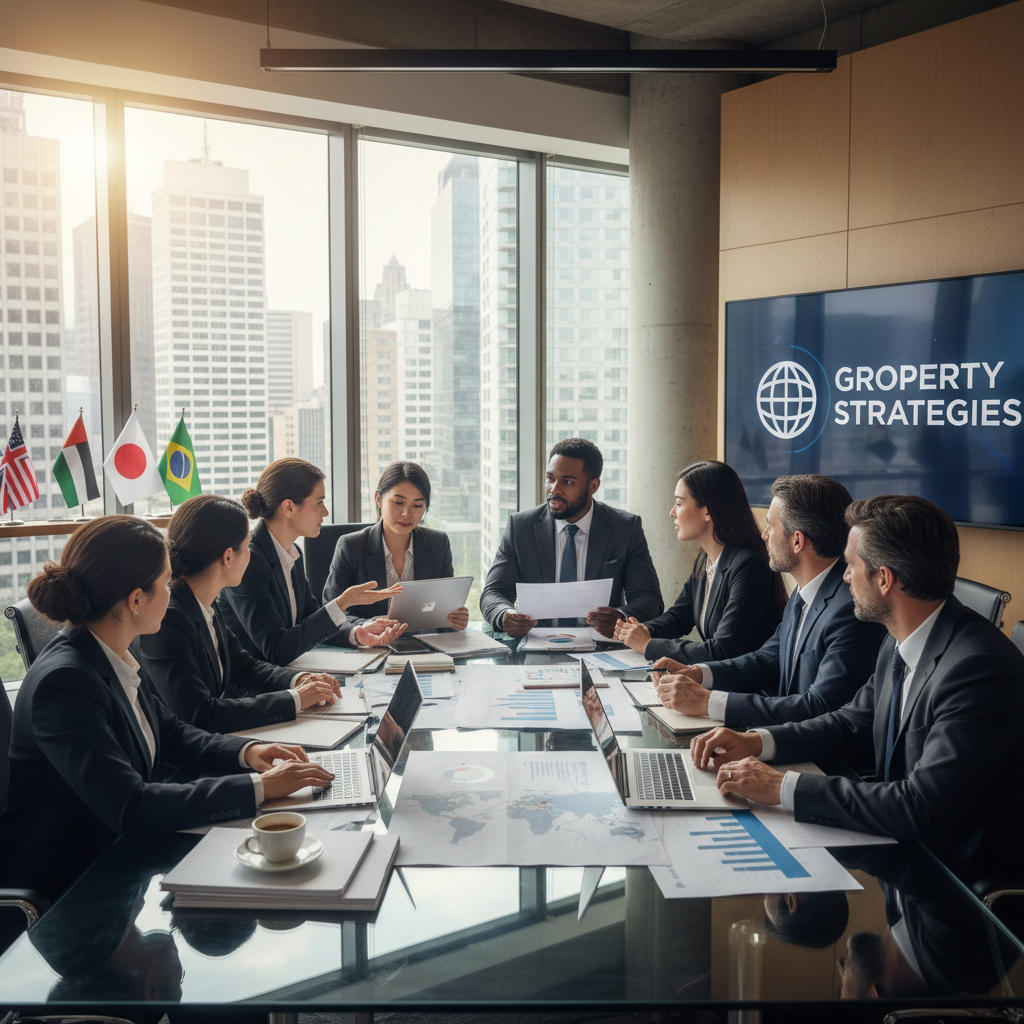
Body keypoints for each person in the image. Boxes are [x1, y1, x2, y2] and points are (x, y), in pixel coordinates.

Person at [0, 516, 336, 907]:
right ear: (135, 600)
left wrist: (249, 753)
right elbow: (132, 806)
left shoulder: (108, 651)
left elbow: (171, 733)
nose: (172, 590)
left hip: (120, 857)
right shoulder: (65, 683)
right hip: (69, 889)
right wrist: (259, 787)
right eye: (165, 582)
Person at [691, 494, 1024, 879]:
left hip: (957, 885)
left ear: (884, 579)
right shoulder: (901, 638)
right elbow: (851, 723)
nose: (845, 576)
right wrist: (756, 741)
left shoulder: (978, 670)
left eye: (851, 565)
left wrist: (783, 786)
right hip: (898, 856)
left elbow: (921, 806)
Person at [651, 475, 887, 729]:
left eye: (770, 527)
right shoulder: (804, 592)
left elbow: (819, 707)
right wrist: (699, 673)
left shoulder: (850, 610)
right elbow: (766, 660)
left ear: (797, 541)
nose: (764, 536)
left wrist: (708, 702)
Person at [136, 494, 346, 734]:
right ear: (228, 557)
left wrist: (299, 680)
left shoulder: (204, 602)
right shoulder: (169, 619)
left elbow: (243, 666)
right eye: (247, 547)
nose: (251, 554)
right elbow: (200, 715)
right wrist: (294, 699)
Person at [218, 458, 405, 666]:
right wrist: (342, 603)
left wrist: (357, 633)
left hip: (287, 673)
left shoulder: (293, 553)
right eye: (319, 502)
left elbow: (311, 623)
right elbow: (276, 650)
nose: (325, 512)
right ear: (289, 507)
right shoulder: (249, 561)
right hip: (255, 681)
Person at [480, 437, 663, 637]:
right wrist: (504, 615)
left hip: (603, 646)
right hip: (536, 644)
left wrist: (621, 617)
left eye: (567, 482)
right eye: (550, 478)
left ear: (593, 486)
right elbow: (493, 592)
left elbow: (649, 598)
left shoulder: (625, 528)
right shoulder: (521, 527)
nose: (554, 489)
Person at [613, 461, 785, 662]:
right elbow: (679, 617)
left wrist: (648, 645)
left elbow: (722, 649)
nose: (672, 512)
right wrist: (641, 630)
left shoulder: (750, 566)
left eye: (679, 504)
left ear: (707, 511)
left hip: (747, 680)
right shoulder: (706, 559)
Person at [322, 461, 468, 645]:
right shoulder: (351, 546)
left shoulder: (438, 543)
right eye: (398, 502)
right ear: (379, 499)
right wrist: (366, 627)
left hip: (424, 647)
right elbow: (331, 614)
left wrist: (455, 620)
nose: (407, 513)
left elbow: (443, 613)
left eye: (417, 505)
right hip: (371, 648)